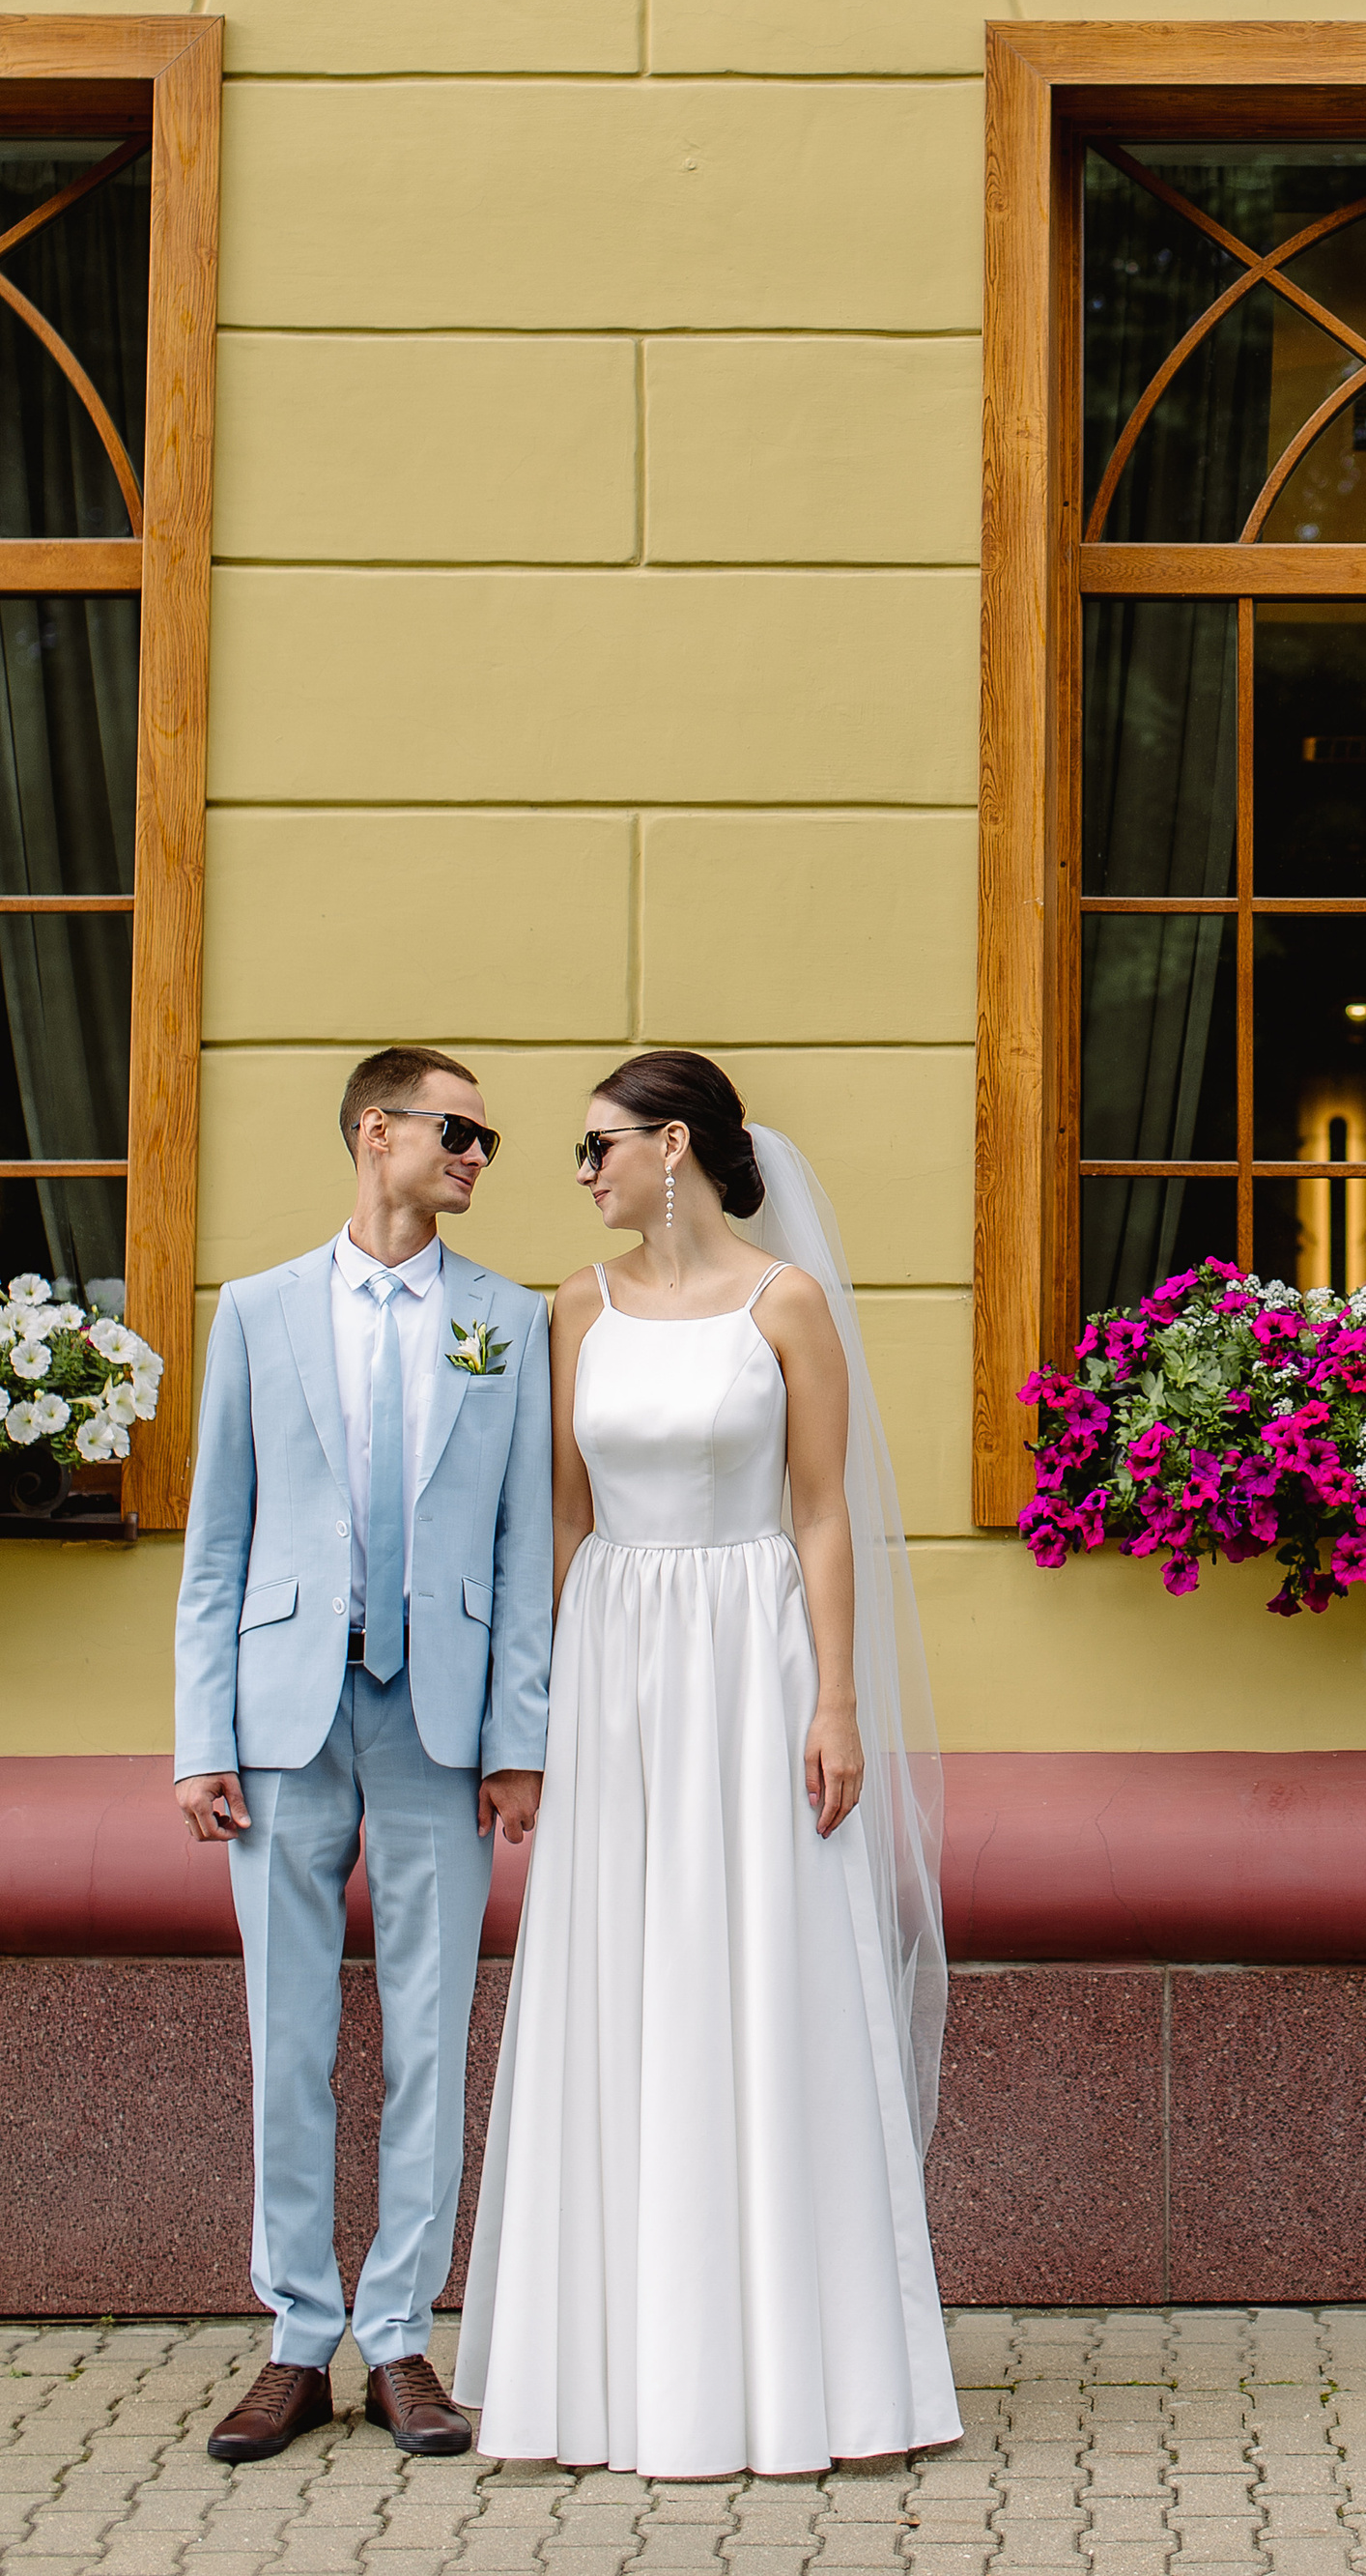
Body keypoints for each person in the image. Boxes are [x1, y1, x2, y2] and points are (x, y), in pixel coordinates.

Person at [453, 1051, 956, 2478]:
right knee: (622, 1971)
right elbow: (557, 1520)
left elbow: (822, 1515)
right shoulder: (573, 1309)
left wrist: (838, 1698)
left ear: (674, 1145)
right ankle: (609, 2371)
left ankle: (808, 2370)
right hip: (619, 1655)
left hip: (755, 1657)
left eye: (595, 1144)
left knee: (765, 1968)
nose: (580, 1170)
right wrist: (532, 1713)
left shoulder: (784, 1302)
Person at [172, 1047, 552, 2465]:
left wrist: (520, 1738)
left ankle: (400, 2332)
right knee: (292, 2037)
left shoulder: (506, 1320)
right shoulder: (260, 1311)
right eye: (457, 1130)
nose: (476, 1153)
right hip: (281, 1722)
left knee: (430, 2035)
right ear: (375, 1132)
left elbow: (524, 1556)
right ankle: (293, 2335)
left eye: (490, 1137)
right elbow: (215, 1545)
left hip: (439, 1730)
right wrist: (198, 1734)